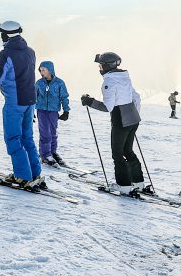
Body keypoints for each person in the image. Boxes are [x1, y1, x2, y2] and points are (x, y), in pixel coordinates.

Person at [0, 21, 43, 190]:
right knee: (27, 137)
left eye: (1, 34)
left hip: (15, 102)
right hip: (30, 100)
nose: (1, 37)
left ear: (6, 35)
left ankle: (22, 176)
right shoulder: (31, 52)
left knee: (13, 138)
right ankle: (35, 173)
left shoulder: (6, 54)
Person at [81, 52, 149, 197]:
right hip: (133, 119)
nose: (99, 68)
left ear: (107, 66)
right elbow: (136, 97)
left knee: (117, 154)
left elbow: (107, 107)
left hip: (120, 121)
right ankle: (138, 183)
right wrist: (134, 115)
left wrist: (89, 101)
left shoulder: (109, 82)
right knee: (128, 151)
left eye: (100, 65)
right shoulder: (125, 77)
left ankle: (124, 186)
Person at [35, 61, 70, 166]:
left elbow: (64, 97)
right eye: (40, 70)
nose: (41, 72)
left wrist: (66, 110)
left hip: (53, 110)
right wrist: (31, 111)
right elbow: (33, 97)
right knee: (45, 133)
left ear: (50, 70)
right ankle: (45, 155)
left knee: (53, 133)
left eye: (43, 70)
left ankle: (53, 152)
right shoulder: (39, 83)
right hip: (41, 110)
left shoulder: (59, 83)